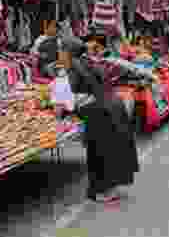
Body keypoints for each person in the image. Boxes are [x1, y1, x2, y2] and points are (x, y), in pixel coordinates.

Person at [57, 36, 139, 203]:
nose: (59, 54)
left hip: (102, 112)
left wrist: (63, 110)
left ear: (68, 53)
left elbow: (71, 99)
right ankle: (109, 188)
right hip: (112, 107)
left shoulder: (74, 68)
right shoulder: (87, 63)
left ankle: (104, 190)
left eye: (61, 50)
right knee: (110, 150)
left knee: (101, 152)